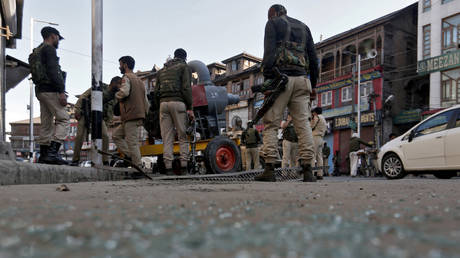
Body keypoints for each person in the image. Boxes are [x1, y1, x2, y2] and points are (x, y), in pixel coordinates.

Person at [256, 4, 319, 182]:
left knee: (271, 123)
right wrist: (313, 84)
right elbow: (313, 59)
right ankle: (308, 169)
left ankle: (269, 168)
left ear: (274, 13)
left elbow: (268, 54)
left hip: (280, 79)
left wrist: (268, 80)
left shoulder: (273, 24)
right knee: (303, 125)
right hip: (302, 80)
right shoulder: (304, 27)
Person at [29, 27, 69, 165]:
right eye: (58, 38)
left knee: (46, 124)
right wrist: (61, 91)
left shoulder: (38, 50)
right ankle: (52, 153)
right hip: (51, 90)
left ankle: (44, 156)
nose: (59, 41)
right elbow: (53, 71)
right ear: (53, 36)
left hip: (41, 91)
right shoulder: (49, 49)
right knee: (64, 119)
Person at [154, 49, 194, 175]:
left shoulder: (161, 71)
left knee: (167, 138)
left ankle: (168, 168)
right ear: (185, 58)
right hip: (178, 103)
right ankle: (183, 167)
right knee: (182, 136)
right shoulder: (184, 67)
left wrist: (159, 105)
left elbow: (156, 92)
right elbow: (186, 88)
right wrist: (190, 108)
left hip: (163, 104)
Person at [70, 76, 120, 166]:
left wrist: (108, 123)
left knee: (105, 136)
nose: (120, 86)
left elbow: (111, 112)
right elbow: (83, 96)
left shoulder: (115, 96)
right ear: (113, 83)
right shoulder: (100, 86)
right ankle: (75, 160)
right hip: (86, 112)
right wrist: (77, 109)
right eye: (119, 84)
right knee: (80, 136)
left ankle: (105, 161)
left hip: (99, 116)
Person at [112, 56, 149, 168]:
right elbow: (146, 101)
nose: (119, 67)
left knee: (132, 142)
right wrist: (144, 113)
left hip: (131, 116)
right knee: (116, 136)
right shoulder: (139, 81)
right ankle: (129, 156)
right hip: (135, 116)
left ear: (125, 65)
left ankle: (138, 166)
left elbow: (124, 92)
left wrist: (116, 96)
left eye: (120, 64)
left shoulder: (126, 77)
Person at [310, 107, 327, 179]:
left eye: (313, 112)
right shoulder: (323, 118)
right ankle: (320, 174)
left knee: (312, 155)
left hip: (315, 137)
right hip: (321, 138)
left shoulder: (317, 117)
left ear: (315, 112)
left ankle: (311, 173)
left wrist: (310, 120)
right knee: (319, 157)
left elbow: (312, 126)